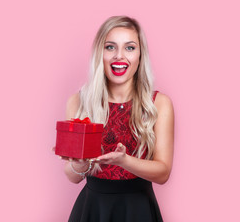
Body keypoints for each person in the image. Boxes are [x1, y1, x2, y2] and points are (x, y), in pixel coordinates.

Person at [61, 16, 174, 222]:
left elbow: (163, 172)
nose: (119, 56)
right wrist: (79, 164)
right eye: (110, 47)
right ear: (99, 53)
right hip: (92, 210)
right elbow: (72, 176)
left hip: (138, 210)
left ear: (140, 56)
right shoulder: (79, 102)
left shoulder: (159, 103)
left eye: (130, 48)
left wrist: (125, 161)